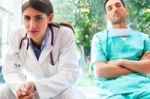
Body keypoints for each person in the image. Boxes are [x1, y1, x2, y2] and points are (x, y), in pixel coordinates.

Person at [0, 0, 86, 99]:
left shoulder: (64, 34)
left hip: (58, 89)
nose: (32, 25)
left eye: (38, 18)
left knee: (69, 96)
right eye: (27, 18)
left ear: (50, 17)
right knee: (4, 92)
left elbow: (69, 73)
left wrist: (37, 86)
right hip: (30, 90)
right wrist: (20, 87)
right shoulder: (16, 35)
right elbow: (10, 69)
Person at [90, 0, 150, 99]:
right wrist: (138, 65)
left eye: (118, 5)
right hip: (112, 93)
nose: (115, 9)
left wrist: (120, 62)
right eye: (110, 8)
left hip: (144, 89)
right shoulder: (99, 38)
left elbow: (148, 67)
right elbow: (100, 71)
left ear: (126, 10)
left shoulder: (143, 38)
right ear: (106, 16)